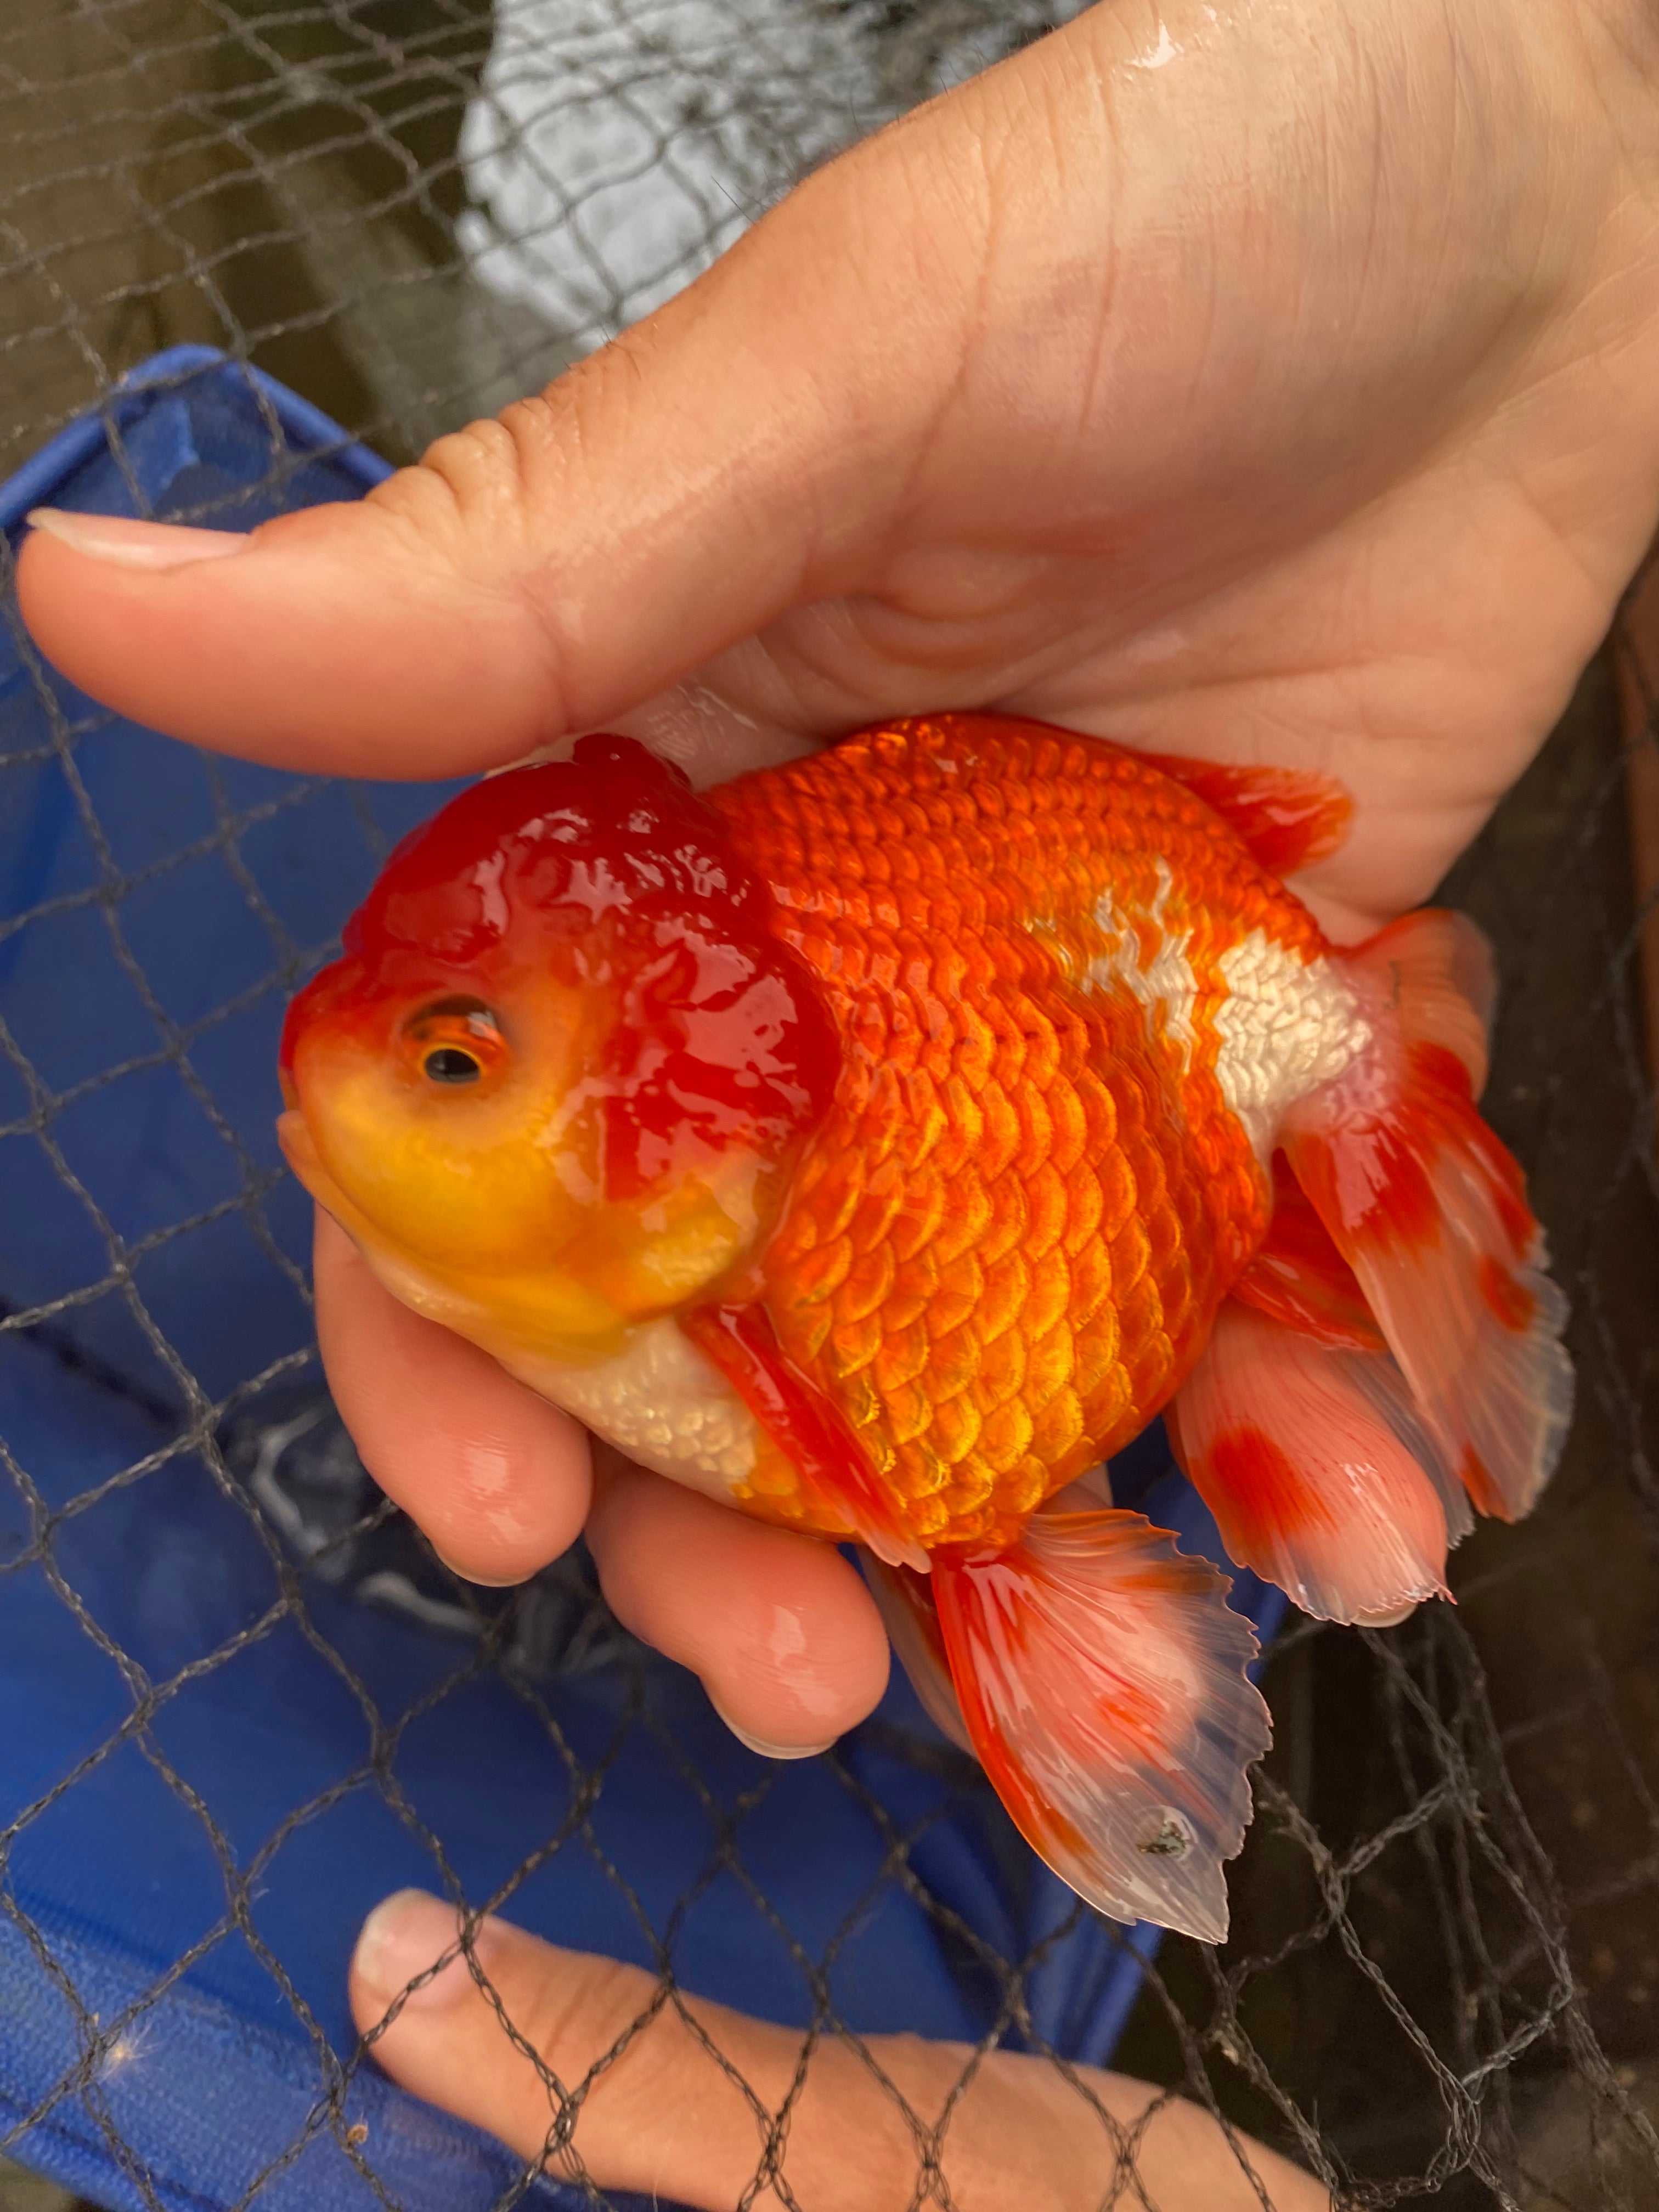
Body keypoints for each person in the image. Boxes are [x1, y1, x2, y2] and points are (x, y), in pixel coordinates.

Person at [18, 0, 1659, 2198]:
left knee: (1073, 1488)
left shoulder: (769, 1216)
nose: (377, 1087)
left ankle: (1356, 1137)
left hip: (1172, 932)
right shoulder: (661, 1259)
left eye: (458, 1062)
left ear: (691, 1123)